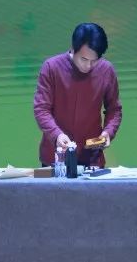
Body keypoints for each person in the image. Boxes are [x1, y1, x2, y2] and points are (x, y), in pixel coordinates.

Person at [33, 22, 122, 168]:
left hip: (92, 157)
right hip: (56, 157)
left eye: (94, 61)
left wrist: (108, 132)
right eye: (84, 59)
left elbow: (114, 109)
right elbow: (41, 109)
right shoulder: (51, 67)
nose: (88, 66)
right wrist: (57, 135)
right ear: (73, 49)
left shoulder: (106, 70)